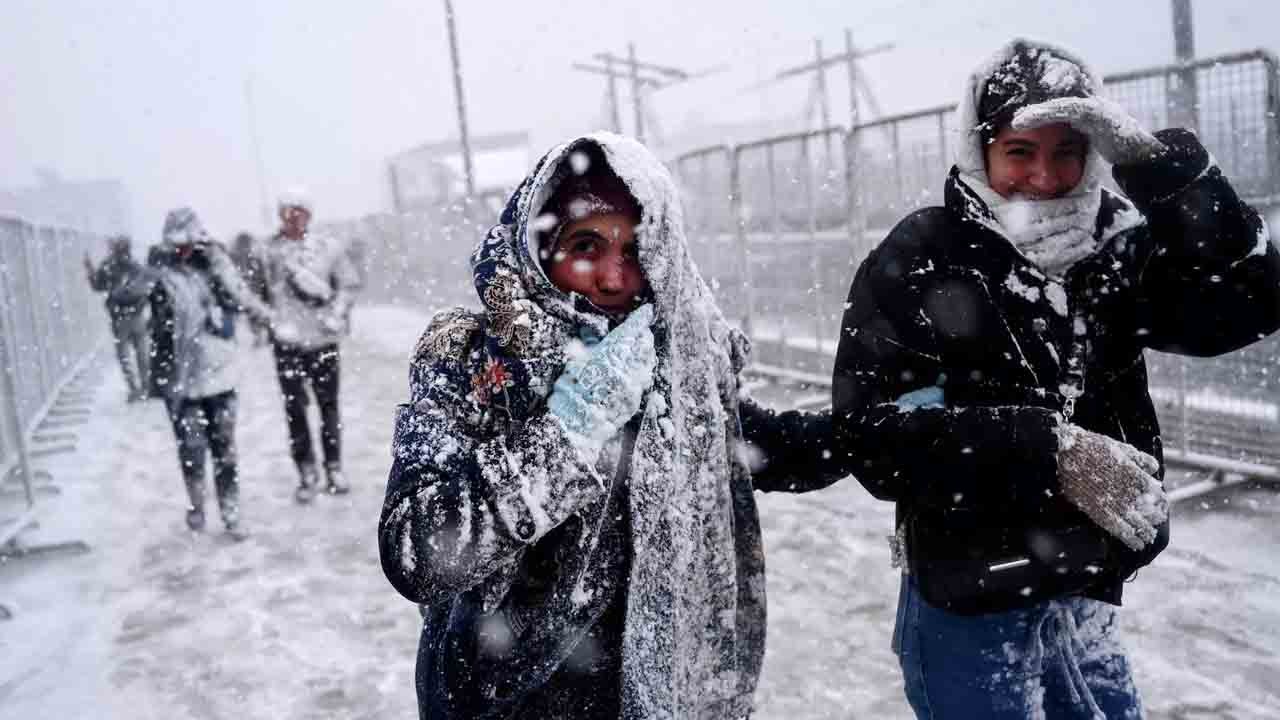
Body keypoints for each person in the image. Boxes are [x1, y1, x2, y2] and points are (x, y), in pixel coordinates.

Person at [831, 39, 1280, 719]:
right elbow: (871, 435)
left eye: (1068, 152)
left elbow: (1249, 303)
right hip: (969, 604)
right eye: (1020, 151)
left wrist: (1166, 173)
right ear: (980, 148)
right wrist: (1047, 449)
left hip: (1085, 586)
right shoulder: (923, 255)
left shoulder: (1114, 245)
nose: (1044, 178)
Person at [378, 134, 849, 718]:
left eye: (635, 250)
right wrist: (569, 433)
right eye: (586, 245)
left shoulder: (669, 360)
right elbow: (418, 552)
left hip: (653, 695)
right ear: (539, 247)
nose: (612, 277)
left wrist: (880, 426)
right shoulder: (469, 358)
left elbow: (755, 445)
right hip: (504, 700)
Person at [149, 208, 275, 540]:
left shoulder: (215, 269)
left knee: (225, 450)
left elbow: (241, 296)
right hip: (181, 380)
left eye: (188, 243)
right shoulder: (160, 274)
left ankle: (231, 512)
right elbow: (140, 299)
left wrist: (217, 260)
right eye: (177, 245)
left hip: (219, 375)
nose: (183, 251)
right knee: (191, 450)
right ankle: (196, 506)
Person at [258, 190, 361, 502]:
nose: (294, 218)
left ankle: (334, 467)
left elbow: (348, 284)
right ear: (280, 215)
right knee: (295, 410)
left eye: (299, 211)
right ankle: (305, 470)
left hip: (322, 340)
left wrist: (336, 313)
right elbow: (256, 294)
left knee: (329, 406)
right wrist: (271, 321)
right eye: (288, 212)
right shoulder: (268, 252)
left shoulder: (328, 247)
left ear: (309, 214)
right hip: (287, 343)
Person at [84, 234, 154, 402]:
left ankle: (134, 388)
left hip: (119, 318)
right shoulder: (135, 267)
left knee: (124, 356)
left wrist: (90, 269)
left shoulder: (109, 266)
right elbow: (146, 288)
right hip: (136, 316)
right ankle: (145, 387)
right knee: (142, 354)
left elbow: (97, 285)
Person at [229, 231, 269, 346]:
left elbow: (262, 277)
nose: (244, 247)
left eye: (246, 244)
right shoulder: (234, 257)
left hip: (252, 293)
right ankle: (255, 335)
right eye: (243, 244)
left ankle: (257, 335)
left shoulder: (255, 260)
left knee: (254, 315)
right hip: (245, 293)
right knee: (251, 315)